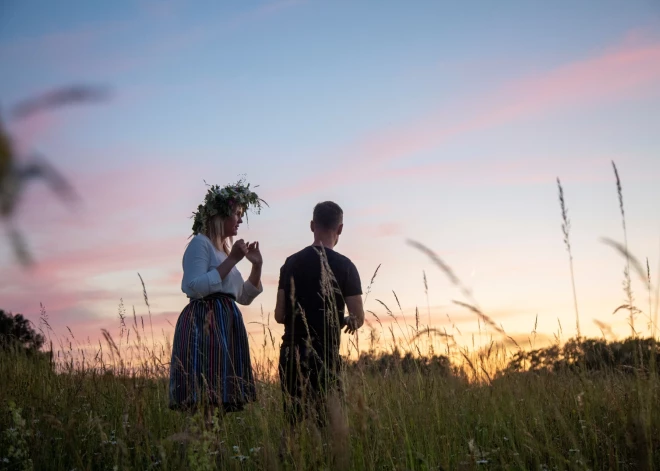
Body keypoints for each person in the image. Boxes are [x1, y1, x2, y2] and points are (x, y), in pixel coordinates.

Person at [169, 179, 266, 419]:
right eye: (237, 214)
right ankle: (198, 450)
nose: (240, 220)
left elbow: (242, 296)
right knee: (204, 399)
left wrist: (257, 266)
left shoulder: (222, 250)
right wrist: (232, 259)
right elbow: (193, 287)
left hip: (227, 324)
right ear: (221, 216)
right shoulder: (200, 244)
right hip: (205, 323)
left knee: (220, 400)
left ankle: (213, 452)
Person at [275, 201, 365, 426]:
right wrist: (343, 320)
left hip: (291, 355)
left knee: (293, 428)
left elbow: (279, 315)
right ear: (340, 229)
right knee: (329, 428)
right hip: (326, 357)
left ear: (312, 225)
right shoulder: (346, 266)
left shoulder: (290, 263)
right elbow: (358, 318)